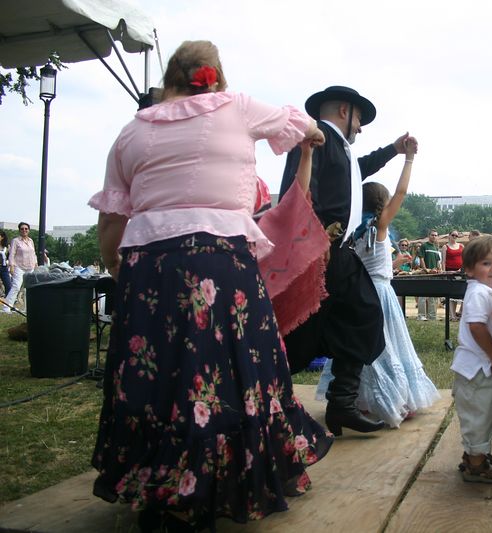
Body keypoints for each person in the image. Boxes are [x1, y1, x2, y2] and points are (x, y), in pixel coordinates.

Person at [88, 40, 333, 530]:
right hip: (219, 263)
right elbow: (305, 125)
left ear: (170, 79)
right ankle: (263, 464)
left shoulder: (132, 132)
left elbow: (112, 220)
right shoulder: (236, 107)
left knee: (159, 374)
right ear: (216, 76)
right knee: (237, 370)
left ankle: (163, 486)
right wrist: (313, 136)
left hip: (150, 267)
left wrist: (117, 265)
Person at [279, 85, 414, 436]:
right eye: (359, 120)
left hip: (338, 253)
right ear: (344, 110)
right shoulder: (317, 139)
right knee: (302, 330)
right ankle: (272, 396)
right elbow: (300, 190)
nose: (360, 128)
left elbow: (359, 169)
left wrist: (394, 150)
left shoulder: (341, 149)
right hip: (320, 250)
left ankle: (342, 403)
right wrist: (315, 235)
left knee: (361, 315)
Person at [317, 139, 440, 427]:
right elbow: (402, 192)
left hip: (361, 292)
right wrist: (409, 159)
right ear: (382, 204)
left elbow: (370, 266)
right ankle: (394, 399)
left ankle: (361, 400)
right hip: (380, 295)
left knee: (365, 349)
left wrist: (394, 265)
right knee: (387, 347)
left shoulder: (354, 231)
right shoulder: (379, 226)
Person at [451, 235, 492, 484]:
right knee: (478, 415)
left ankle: (474, 455)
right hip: (477, 369)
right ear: (469, 269)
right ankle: (476, 465)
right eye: (486, 263)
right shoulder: (478, 293)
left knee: (482, 413)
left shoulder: (488, 291)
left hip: (480, 369)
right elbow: (476, 326)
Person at [3, 222, 36, 313]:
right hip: (19, 267)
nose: (24, 230)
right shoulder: (16, 241)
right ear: (19, 230)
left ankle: (27, 308)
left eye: (26, 229)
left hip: (30, 267)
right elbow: (12, 254)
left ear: (28, 230)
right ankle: (7, 307)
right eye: (22, 229)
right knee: (16, 286)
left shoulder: (31, 241)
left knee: (28, 288)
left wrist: (35, 264)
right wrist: (11, 266)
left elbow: (33, 254)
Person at [417, 229, 441, 321]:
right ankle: (421, 315)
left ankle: (432, 316)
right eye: (432, 235)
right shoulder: (424, 246)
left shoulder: (436, 247)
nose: (434, 236)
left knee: (433, 296)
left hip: (434, 274)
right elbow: (421, 258)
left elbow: (438, 261)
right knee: (422, 295)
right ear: (429, 236)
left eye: (435, 235)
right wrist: (426, 269)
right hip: (425, 274)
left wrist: (439, 269)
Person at [442, 229, 464, 320]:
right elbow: (443, 261)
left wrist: (462, 269)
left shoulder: (461, 246)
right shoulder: (445, 247)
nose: (454, 237)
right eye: (453, 235)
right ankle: (452, 315)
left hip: (460, 272)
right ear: (449, 235)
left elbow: (464, 259)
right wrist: (444, 272)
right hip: (449, 271)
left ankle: (457, 313)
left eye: (456, 235)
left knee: (458, 293)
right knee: (451, 294)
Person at [0, 231, 11, 299]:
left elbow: (10, 257)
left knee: (8, 285)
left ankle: (7, 302)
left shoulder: (6, 247)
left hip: (4, 268)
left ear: (2, 237)